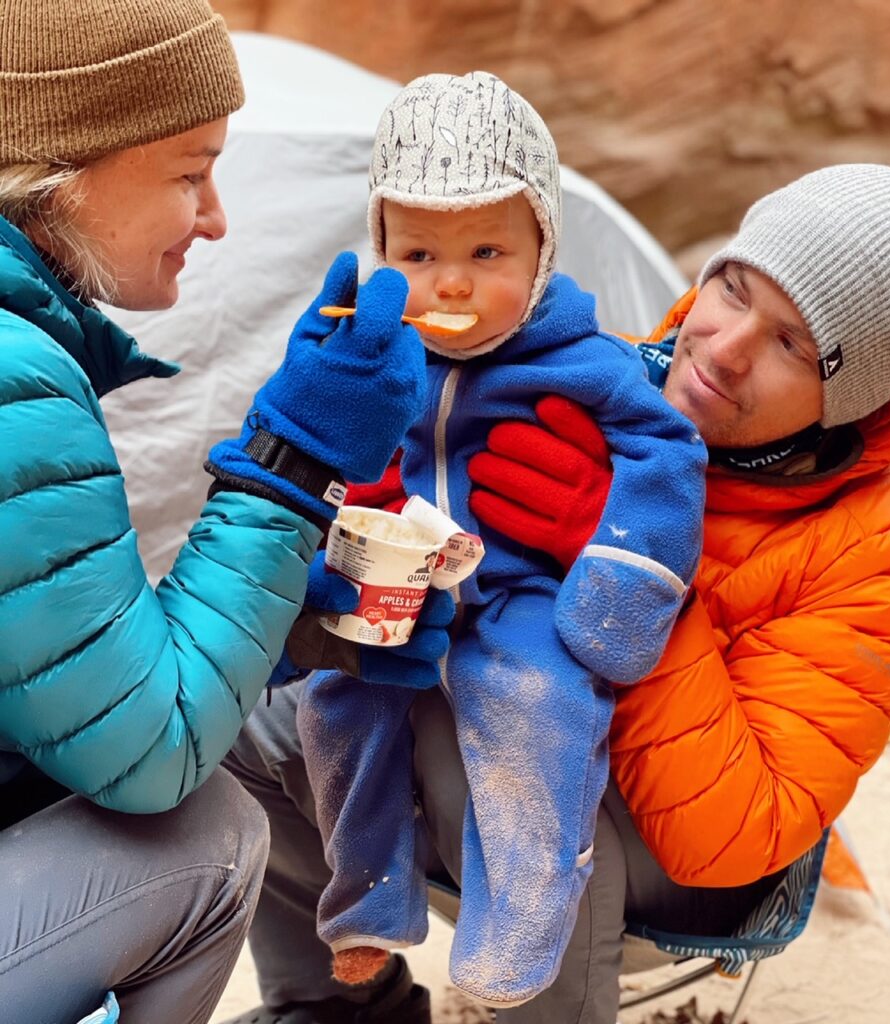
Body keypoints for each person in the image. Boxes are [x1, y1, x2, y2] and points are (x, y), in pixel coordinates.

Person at [223, 161, 890, 1024]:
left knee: (507, 734)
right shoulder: (597, 382)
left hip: (685, 867)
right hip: (511, 733)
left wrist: (628, 570)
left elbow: (733, 836)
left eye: (792, 346)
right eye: (733, 289)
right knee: (260, 714)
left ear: (849, 398)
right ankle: (334, 1007)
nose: (724, 349)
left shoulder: (876, 543)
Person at [0, 3, 435, 1022]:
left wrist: (280, 633)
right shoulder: (13, 379)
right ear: (63, 169)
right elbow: (149, 754)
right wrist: (291, 467)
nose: (217, 217)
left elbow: (50, 674)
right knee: (203, 833)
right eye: (190, 172)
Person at [242, 69, 707, 1014]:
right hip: (408, 590)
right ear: (379, 249)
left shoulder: (588, 361)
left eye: (487, 249)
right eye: (416, 252)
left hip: (528, 594)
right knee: (337, 703)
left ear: (541, 250)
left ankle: (522, 929)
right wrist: (341, 503)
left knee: (536, 701)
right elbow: (334, 456)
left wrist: (618, 575)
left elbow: (668, 452)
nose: (450, 281)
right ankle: (369, 902)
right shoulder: (380, 353)